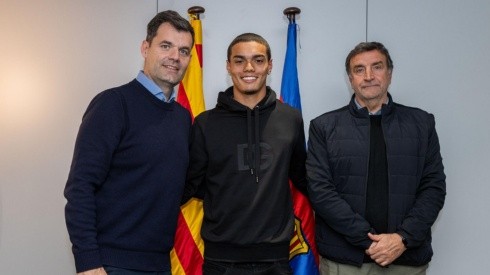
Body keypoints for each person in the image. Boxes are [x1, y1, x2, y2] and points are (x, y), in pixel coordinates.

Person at [64, 10, 194, 275]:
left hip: (159, 264)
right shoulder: (113, 105)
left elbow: (174, 187)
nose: (174, 57)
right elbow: (80, 187)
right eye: (166, 46)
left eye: (183, 51)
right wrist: (89, 262)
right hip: (111, 265)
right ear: (145, 48)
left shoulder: (182, 118)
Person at [306, 41, 446, 275]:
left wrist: (401, 239)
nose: (368, 76)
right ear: (350, 79)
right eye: (359, 69)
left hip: (405, 259)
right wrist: (369, 241)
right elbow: (320, 191)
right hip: (346, 261)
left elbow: (433, 187)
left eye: (377, 67)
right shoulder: (324, 127)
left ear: (389, 73)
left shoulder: (422, 124)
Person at [181, 33, 308, 275]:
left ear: (270, 65)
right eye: (239, 61)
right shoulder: (205, 124)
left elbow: (303, 178)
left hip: (276, 260)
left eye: (258, 60)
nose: (249, 68)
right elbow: (191, 185)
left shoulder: (290, 119)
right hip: (221, 261)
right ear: (228, 66)